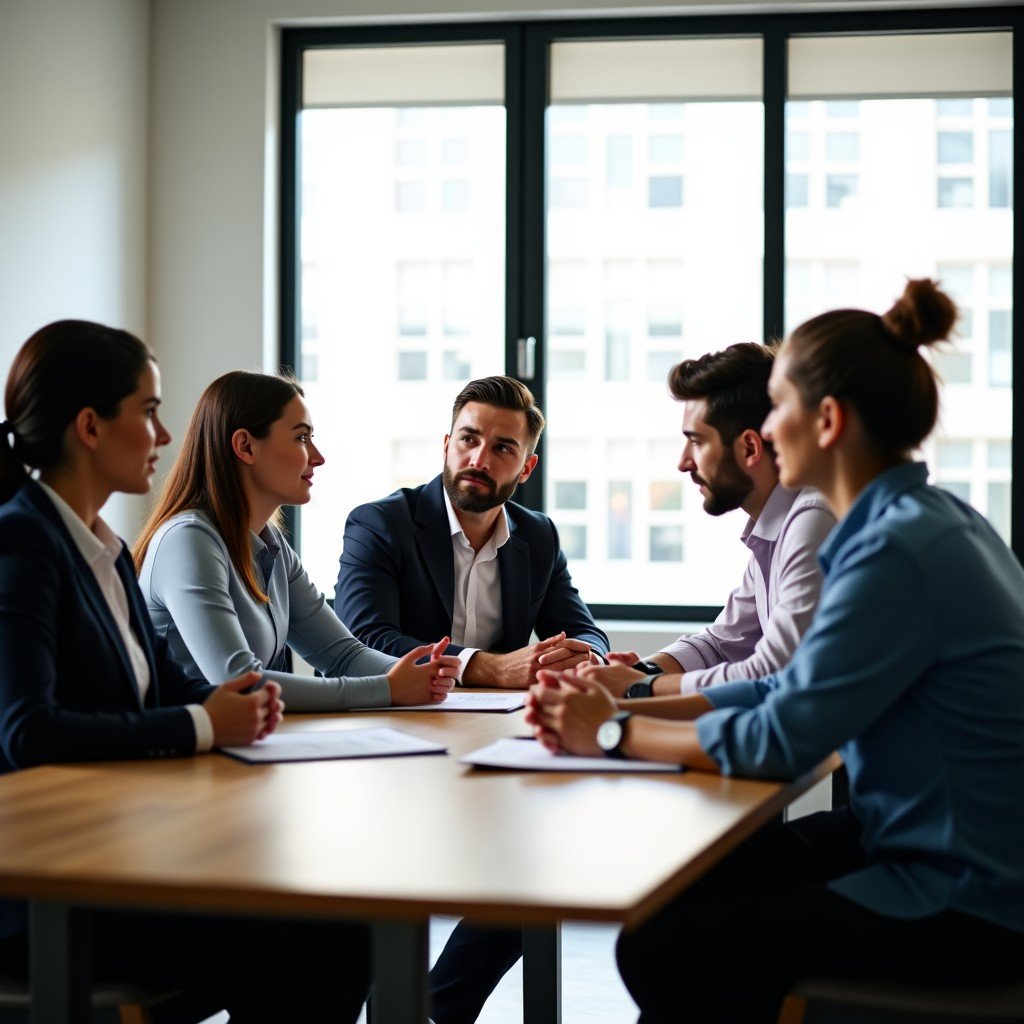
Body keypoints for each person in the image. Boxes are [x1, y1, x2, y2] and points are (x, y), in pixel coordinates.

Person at [526, 281, 1024, 1023]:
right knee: (679, 889)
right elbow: (789, 690)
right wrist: (623, 703)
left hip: (967, 889)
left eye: (779, 405)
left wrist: (612, 730)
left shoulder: (894, 551)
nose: (767, 428)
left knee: (666, 943)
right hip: (919, 831)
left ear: (825, 421)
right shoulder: (918, 521)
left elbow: (782, 737)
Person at [0, 320, 369, 1023]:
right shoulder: (24, 542)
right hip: (51, 895)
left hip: (119, 857)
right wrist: (205, 719)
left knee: (336, 921)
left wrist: (229, 700)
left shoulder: (106, 550)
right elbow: (29, 731)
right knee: (327, 936)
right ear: (89, 427)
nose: (165, 437)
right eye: (148, 412)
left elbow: (167, 683)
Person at [336, 375, 609, 1024]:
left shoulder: (537, 535)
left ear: (528, 465)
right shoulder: (382, 523)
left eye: (502, 448)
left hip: (490, 747)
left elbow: (581, 623)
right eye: (468, 439)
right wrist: (486, 667)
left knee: (538, 870)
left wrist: (583, 657)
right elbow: (365, 634)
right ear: (446, 444)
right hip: (391, 747)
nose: (479, 459)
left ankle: (436, 1007)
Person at [135, 371, 458, 711]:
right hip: (179, 757)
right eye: (301, 438)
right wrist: (387, 689)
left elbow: (344, 655)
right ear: (245, 446)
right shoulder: (188, 540)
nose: (317, 457)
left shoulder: (271, 545)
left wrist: (420, 673)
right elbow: (239, 683)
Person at [578, 342, 834, 700]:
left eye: (696, 442)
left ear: (749, 448)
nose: (683, 462)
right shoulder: (777, 526)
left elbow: (776, 673)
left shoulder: (812, 523)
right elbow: (721, 644)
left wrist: (640, 687)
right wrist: (639, 672)